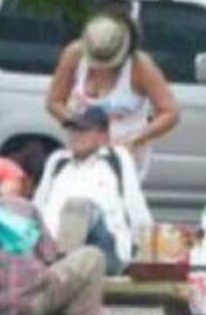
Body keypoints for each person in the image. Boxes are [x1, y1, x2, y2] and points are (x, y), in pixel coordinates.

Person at [46, 9, 180, 176]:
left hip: (125, 156)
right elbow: (54, 101)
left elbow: (170, 112)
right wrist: (77, 123)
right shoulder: (74, 54)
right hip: (82, 151)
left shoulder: (140, 66)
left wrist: (135, 139)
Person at [33, 106, 152, 276]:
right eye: (72, 129)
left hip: (102, 246)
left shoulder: (116, 158)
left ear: (103, 136)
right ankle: (57, 263)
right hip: (52, 247)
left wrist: (145, 252)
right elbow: (37, 207)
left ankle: (61, 267)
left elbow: (136, 208)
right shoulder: (58, 160)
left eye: (83, 130)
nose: (75, 135)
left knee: (78, 206)